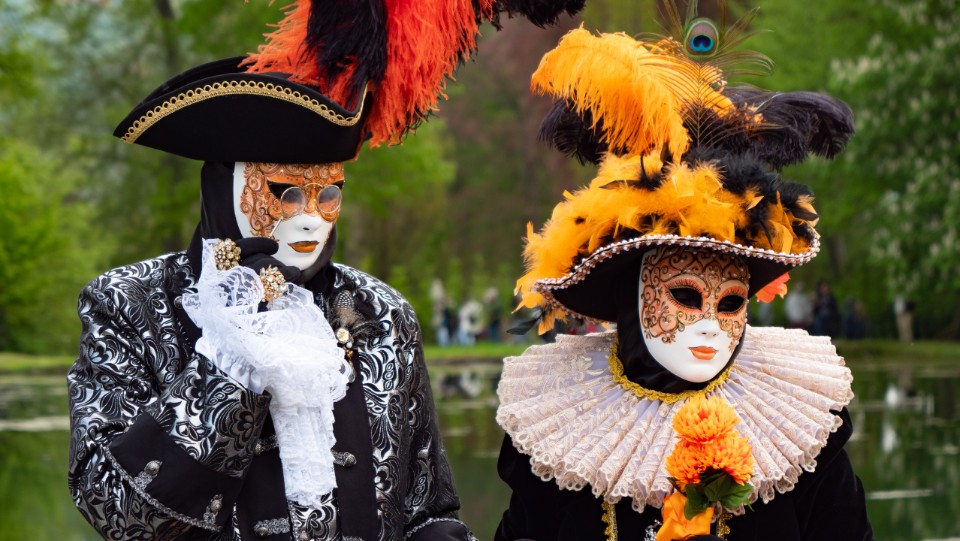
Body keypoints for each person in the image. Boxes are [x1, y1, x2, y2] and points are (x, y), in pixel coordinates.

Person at [67, 2, 586, 540]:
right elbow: (117, 513)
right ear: (224, 189)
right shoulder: (129, 304)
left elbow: (424, 511)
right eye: (286, 192)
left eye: (329, 193)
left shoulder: (381, 315)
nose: (311, 217)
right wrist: (233, 357)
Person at [494, 8, 872, 540]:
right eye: (686, 296)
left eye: (732, 302)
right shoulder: (555, 434)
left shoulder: (801, 429)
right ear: (630, 291)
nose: (710, 326)